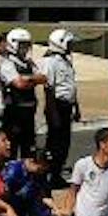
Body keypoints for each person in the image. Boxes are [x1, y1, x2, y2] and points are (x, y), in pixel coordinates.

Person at [0, 28, 45, 163]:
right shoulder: (7, 62)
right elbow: (19, 84)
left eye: (26, 45)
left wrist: (28, 79)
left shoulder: (28, 62)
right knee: (12, 147)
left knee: (28, 148)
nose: (25, 48)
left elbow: (43, 77)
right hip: (13, 112)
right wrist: (31, 80)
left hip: (29, 111)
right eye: (22, 45)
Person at [37, 28, 78, 172]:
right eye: (69, 43)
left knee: (64, 141)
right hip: (56, 106)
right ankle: (50, 171)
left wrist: (76, 107)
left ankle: (57, 170)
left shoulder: (66, 61)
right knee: (55, 141)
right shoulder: (50, 62)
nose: (71, 47)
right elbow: (49, 88)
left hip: (67, 105)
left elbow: (71, 85)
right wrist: (53, 113)